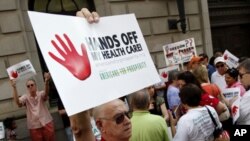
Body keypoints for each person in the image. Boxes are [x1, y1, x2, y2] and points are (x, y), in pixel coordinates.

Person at [10, 72, 55, 141]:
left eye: (32, 85)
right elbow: (18, 103)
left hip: (46, 123)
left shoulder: (41, 94)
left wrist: (46, 82)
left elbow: (46, 93)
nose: (30, 87)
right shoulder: (25, 97)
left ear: (35, 86)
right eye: (28, 86)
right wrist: (14, 87)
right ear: (27, 88)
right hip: (34, 127)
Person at [236, 58, 250, 124]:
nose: (239, 79)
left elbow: (238, 117)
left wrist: (233, 103)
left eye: (241, 75)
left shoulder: (248, 96)